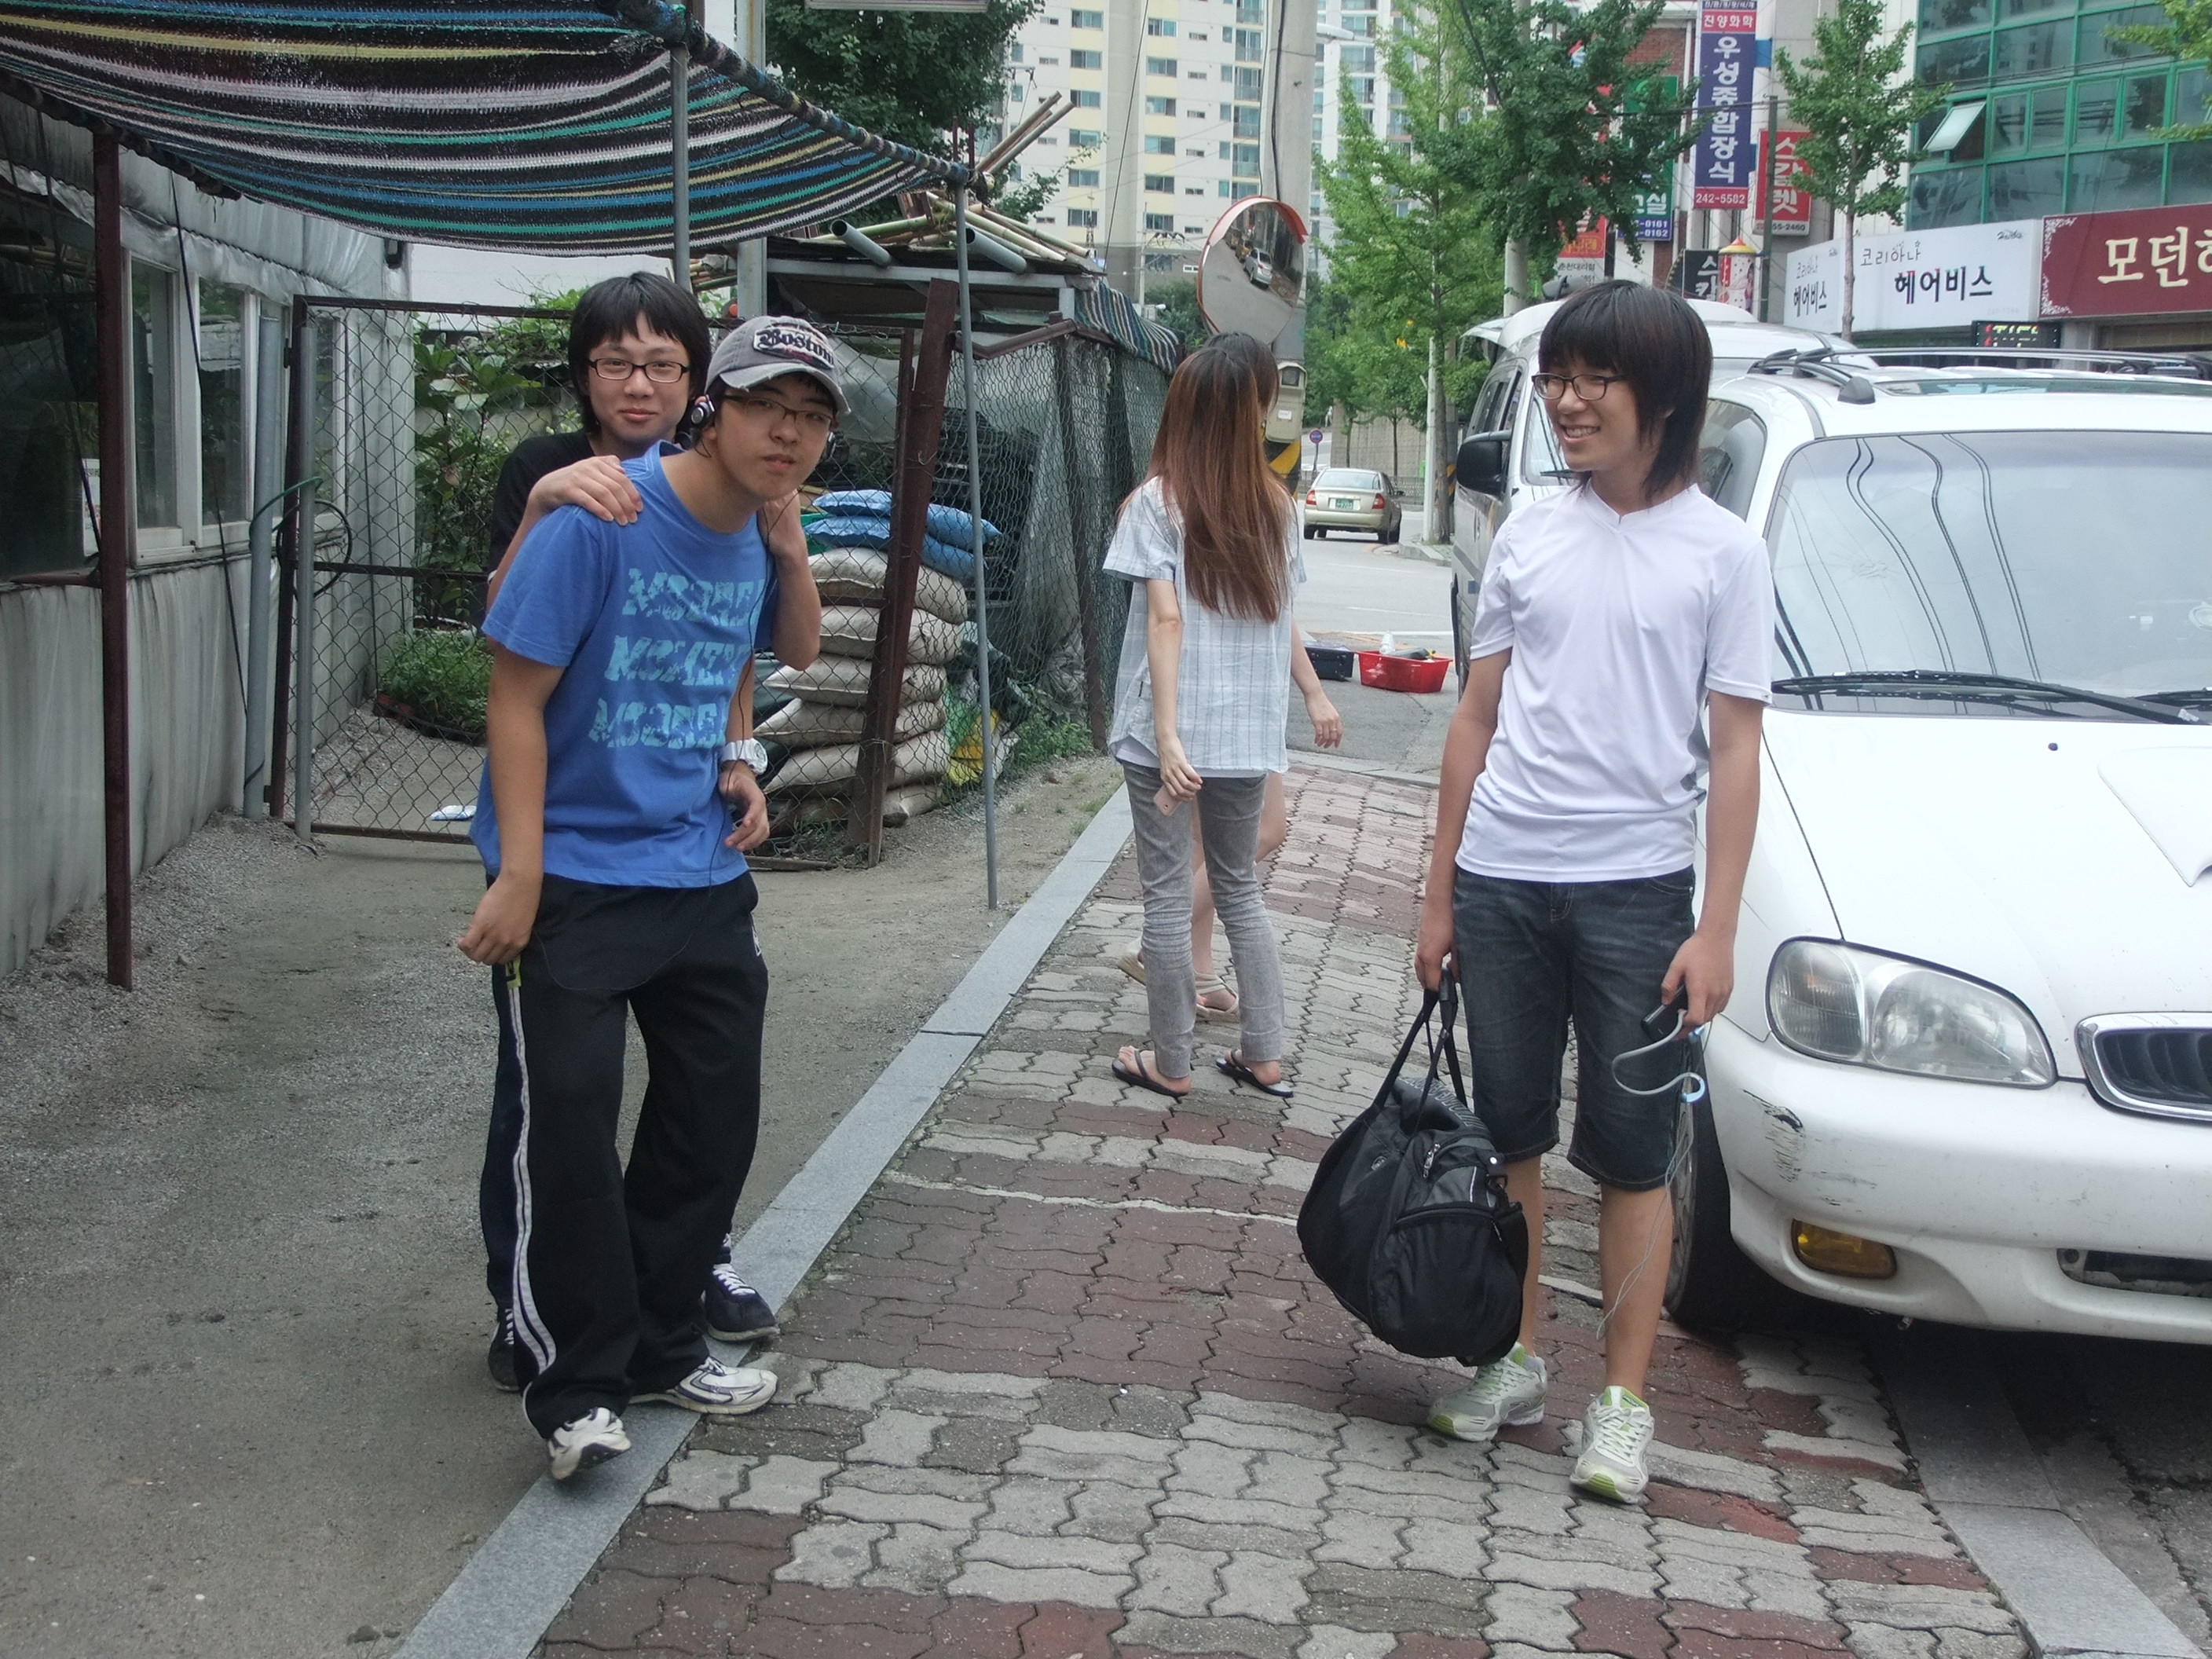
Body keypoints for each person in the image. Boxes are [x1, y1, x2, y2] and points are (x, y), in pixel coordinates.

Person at [457, 316, 844, 1481]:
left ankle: (665, 1346)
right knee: (569, 1129)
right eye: (767, 407)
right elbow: (514, 697)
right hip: (575, 880)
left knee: (709, 1122)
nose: (789, 434)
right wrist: (520, 872)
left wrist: (735, 753)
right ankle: (575, 1388)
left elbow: (760, 657)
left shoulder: (754, 534)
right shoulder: (600, 518)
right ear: (711, 411)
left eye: (812, 418)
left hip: (700, 874)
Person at [1412, 281, 1771, 1503]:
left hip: (1637, 894)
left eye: (1592, 380)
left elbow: (1737, 749)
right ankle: (1513, 1362)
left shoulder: (1725, 552)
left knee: (1632, 1156)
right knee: (1509, 1136)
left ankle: (1621, 1408)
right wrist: (1440, 895)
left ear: (1661, 396)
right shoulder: (1529, 527)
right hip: (1505, 878)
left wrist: (1717, 929)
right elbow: (1476, 716)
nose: (1566, 401)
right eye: (1557, 379)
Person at [1115, 335, 1340, 1022]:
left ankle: (1178, 1017)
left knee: (1197, 870)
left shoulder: (1202, 504)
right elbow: (1178, 621)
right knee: (1233, 870)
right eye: (1264, 398)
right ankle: (1225, 1008)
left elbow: (1260, 615)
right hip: (1224, 720)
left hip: (1190, 719)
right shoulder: (1254, 505)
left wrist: (1312, 691)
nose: (1269, 411)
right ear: (1247, 406)